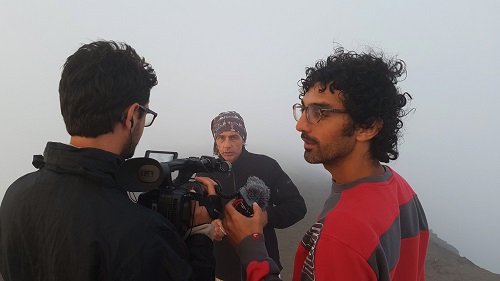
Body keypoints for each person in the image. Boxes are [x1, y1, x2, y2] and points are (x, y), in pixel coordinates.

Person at [0, 40, 217, 281]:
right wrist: (200, 234)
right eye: (145, 114)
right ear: (132, 115)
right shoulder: (143, 234)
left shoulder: (15, 194)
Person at [222, 47, 430, 281]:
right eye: (303, 109)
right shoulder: (401, 189)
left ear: (368, 127)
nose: (300, 125)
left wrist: (252, 249)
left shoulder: (341, 236)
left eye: (318, 112)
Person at [202, 111, 307, 281]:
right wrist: (209, 227)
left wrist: (266, 217)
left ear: (243, 138)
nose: (227, 144)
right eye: (221, 138)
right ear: (215, 140)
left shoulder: (266, 166)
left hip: (265, 268)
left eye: (234, 137)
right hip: (221, 270)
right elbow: (193, 215)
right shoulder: (205, 172)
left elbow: (297, 206)